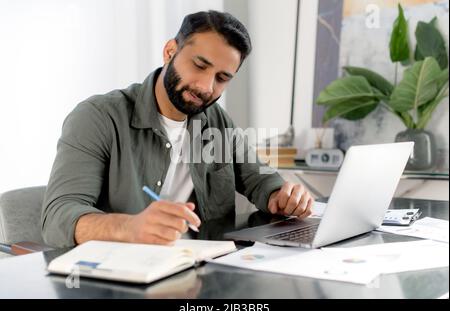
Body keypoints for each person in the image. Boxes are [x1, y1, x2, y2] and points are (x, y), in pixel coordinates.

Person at [41, 10, 314, 248]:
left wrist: (284, 195)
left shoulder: (216, 120)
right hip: (123, 275)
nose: (206, 87)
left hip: (203, 271)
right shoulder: (98, 117)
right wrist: (129, 227)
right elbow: (58, 216)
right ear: (170, 51)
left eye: (221, 78)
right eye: (199, 65)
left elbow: (259, 179)